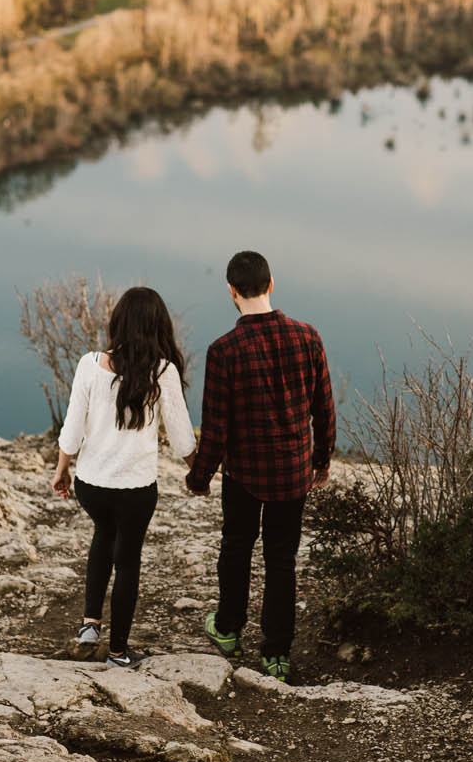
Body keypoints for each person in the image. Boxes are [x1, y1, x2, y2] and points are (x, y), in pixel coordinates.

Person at [185, 250, 335, 682]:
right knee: (281, 560)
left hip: (243, 475)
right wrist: (321, 460)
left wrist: (199, 478)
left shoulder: (223, 351)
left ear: (231, 292)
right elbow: (323, 409)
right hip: (292, 473)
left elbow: (215, 428)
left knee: (236, 548)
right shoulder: (308, 337)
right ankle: (276, 654)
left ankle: (229, 630)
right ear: (272, 285)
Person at [52, 286, 195, 669]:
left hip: (92, 485)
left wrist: (62, 466)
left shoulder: (89, 363)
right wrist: (199, 471)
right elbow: (182, 437)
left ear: (118, 323)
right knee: (127, 561)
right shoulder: (163, 371)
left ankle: (89, 625)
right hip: (135, 490)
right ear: (158, 326)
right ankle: (118, 652)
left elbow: (73, 425)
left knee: (103, 534)